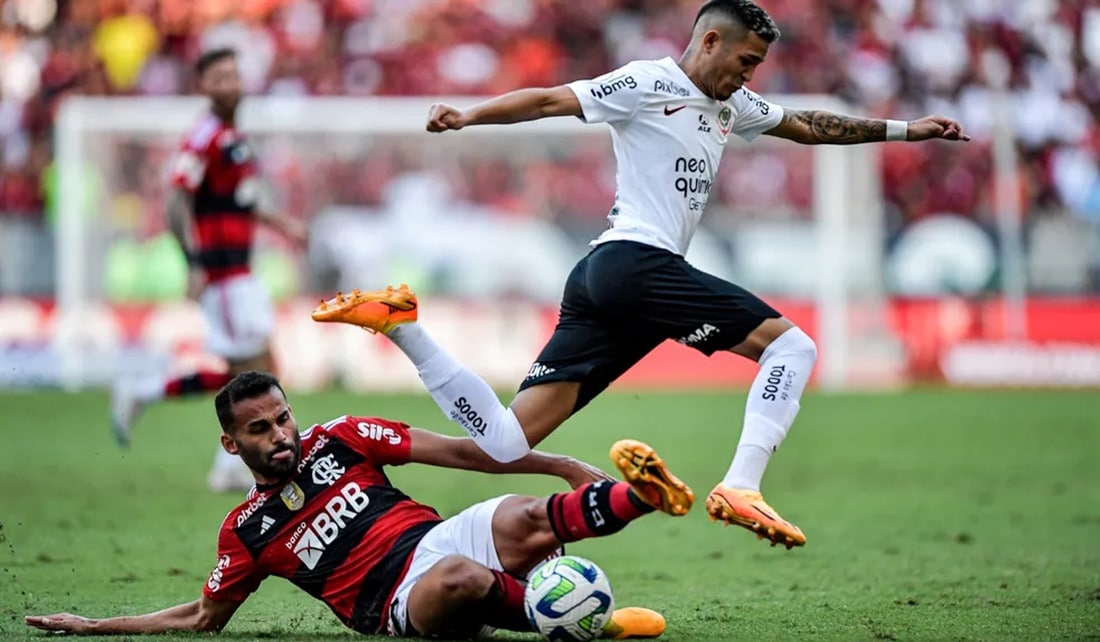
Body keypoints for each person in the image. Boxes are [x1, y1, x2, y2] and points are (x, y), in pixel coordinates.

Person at [315, 0, 971, 549]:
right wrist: (469, 114)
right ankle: (742, 484)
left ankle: (402, 328)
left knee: (505, 443)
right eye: (744, 62)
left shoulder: (731, 104)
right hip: (633, 262)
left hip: (604, 279)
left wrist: (905, 131)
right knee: (793, 348)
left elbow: (809, 126)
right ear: (710, 41)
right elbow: (550, 98)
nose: (748, 78)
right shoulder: (646, 81)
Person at [29, 371, 691, 639]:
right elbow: (203, 617)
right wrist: (94, 626)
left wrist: (556, 464)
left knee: (526, 512)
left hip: (439, 538)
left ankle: (642, 496)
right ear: (232, 444)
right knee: (461, 582)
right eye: (261, 430)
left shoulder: (340, 438)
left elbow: (464, 452)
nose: (281, 436)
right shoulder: (248, 531)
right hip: (397, 603)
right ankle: (586, 623)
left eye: (283, 418)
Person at [110, 48, 306, 492]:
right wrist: (192, 261)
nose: (230, 84)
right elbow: (177, 196)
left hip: (240, 269)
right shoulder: (205, 136)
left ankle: (150, 399)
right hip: (221, 273)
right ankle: (222, 462)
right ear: (204, 86)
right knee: (249, 373)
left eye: (234, 75)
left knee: (257, 367)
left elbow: (243, 199)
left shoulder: (232, 136)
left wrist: (283, 224)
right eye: (219, 77)